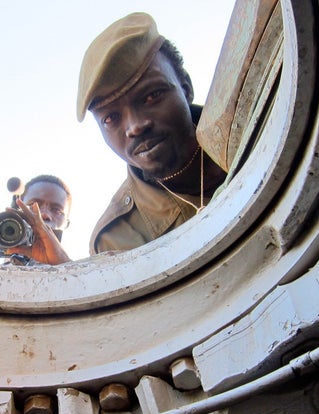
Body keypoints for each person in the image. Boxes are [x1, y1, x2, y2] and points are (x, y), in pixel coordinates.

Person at [77, 12, 228, 255]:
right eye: (111, 118)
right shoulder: (117, 240)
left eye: (151, 96)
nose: (135, 126)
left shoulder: (255, 128)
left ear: (185, 87)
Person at [0, 174, 72, 265]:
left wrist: (63, 265)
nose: (43, 214)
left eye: (56, 210)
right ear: (16, 211)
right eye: (33, 205)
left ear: (66, 224)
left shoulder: (84, 275)